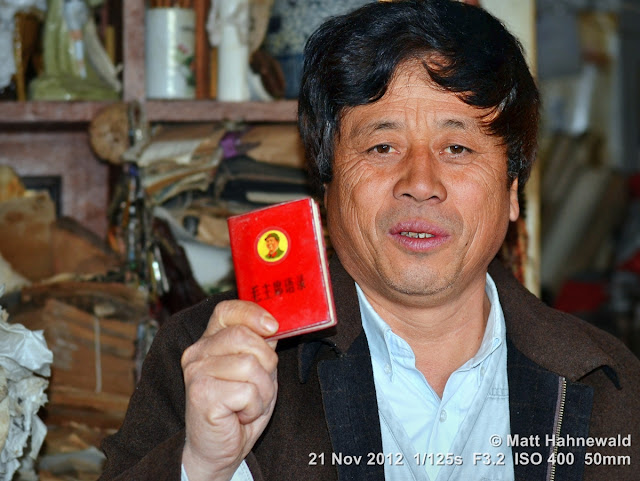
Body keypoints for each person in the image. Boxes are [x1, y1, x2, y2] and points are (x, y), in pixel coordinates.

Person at [99, 1, 640, 480]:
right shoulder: (211, 357)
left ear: (512, 190)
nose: (421, 185)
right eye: (382, 147)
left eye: (458, 148)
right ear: (326, 183)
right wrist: (203, 467)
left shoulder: (610, 383)